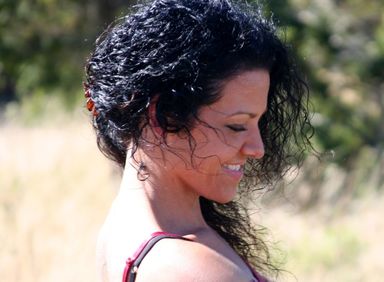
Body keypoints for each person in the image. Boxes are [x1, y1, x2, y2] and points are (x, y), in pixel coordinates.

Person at [84, 0, 312, 281]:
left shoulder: (123, 228)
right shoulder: (189, 268)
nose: (258, 149)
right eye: (237, 126)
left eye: (258, 122)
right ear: (164, 114)